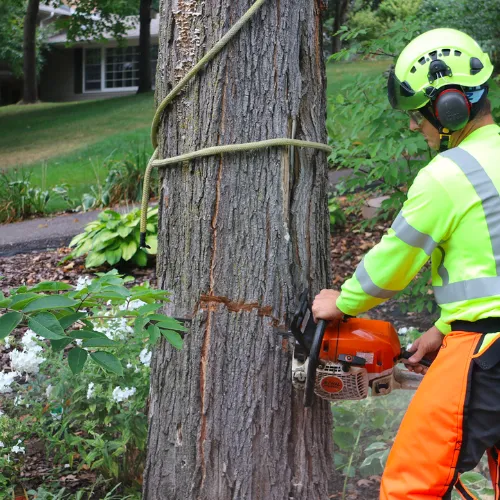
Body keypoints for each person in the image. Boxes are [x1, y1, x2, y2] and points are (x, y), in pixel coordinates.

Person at [312, 28, 500, 499]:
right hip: (480, 335)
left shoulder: (448, 174)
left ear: (449, 106)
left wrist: (343, 302)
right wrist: (444, 326)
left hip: (488, 350)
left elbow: (394, 263)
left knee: (412, 484)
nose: (416, 126)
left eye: (420, 114)